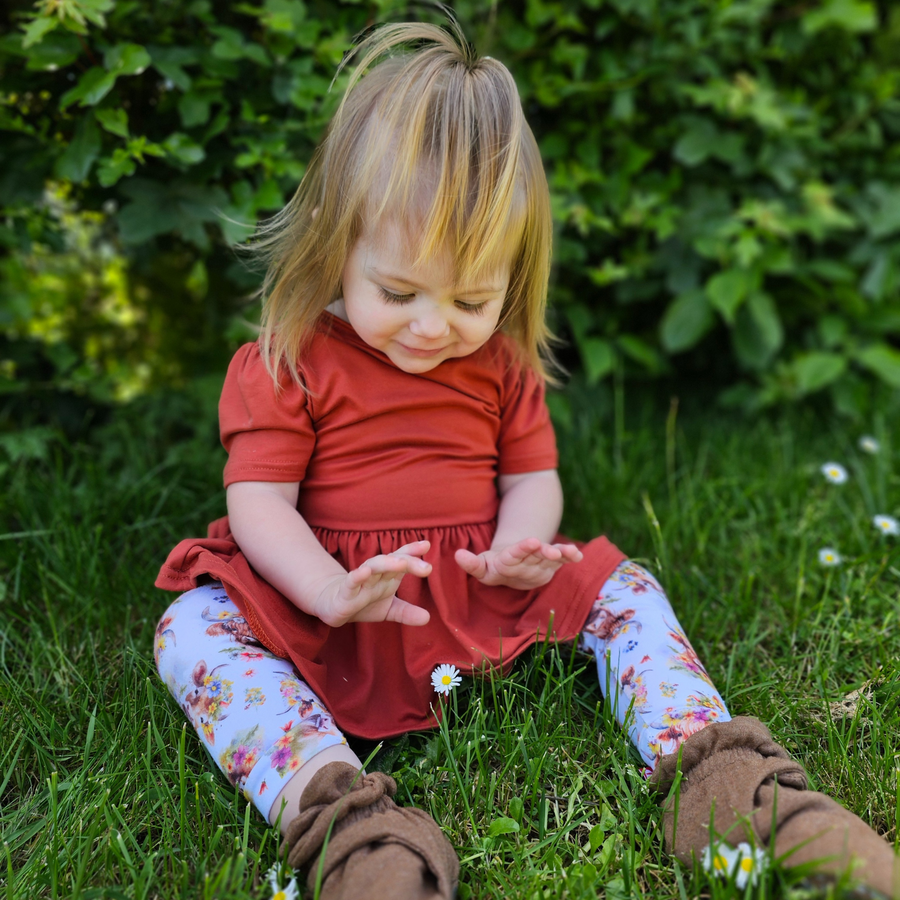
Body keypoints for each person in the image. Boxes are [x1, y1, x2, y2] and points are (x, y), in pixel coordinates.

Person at [154, 20, 897, 899]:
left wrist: (519, 546)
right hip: (343, 604)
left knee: (625, 589)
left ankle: (729, 787)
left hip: (478, 593)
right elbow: (261, 505)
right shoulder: (288, 360)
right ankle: (347, 825)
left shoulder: (500, 366)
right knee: (192, 629)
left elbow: (529, 478)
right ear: (335, 241)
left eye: (471, 298)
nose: (433, 327)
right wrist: (322, 590)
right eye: (398, 292)